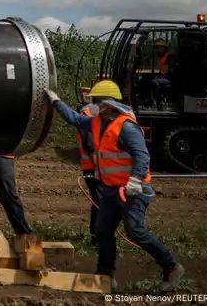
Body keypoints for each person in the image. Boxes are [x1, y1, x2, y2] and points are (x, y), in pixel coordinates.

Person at [47, 81, 185, 290]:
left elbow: (142, 156)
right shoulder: (97, 123)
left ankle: (171, 266)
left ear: (108, 104)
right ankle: (105, 274)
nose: (93, 105)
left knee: (135, 231)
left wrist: (135, 181)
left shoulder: (126, 127)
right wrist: (56, 102)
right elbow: (74, 119)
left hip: (133, 191)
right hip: (111, 190)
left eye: (96, 101)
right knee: (103, 230)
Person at [76, 101, 101, 245]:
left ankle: (97, 235)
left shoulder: (90, 113)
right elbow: (90, 144)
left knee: (100, 200)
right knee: (100, 201)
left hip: (92, 166)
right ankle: (97, 236)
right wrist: (98, 166)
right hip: (92, 166)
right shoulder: (88, 115)